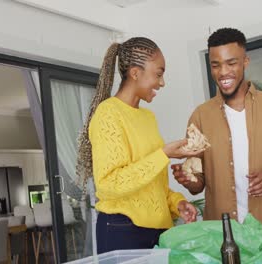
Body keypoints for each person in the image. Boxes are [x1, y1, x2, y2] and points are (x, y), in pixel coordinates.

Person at [76, 37, 200, 254]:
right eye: (158, 74)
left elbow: (152, 185)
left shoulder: (148, 117)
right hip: (122, 230)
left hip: (158, 232)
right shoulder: (108, 114)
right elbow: (109, 183)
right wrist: (164, 154)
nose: (162, 82)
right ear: (135, 73)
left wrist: (177, 204)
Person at [172, 28, 262, 224]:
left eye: (231, 63)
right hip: (221, 233)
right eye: (215, 65)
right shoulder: (200, 116)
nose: (223, 72)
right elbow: (198, 185)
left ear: (245, 62)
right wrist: (188, 178)